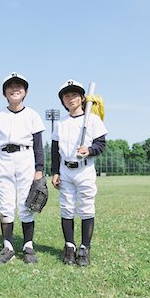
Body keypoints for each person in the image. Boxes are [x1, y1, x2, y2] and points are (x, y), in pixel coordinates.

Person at [0, 72, 45, 265]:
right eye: (10, 86)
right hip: (4, 159)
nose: (15, 89)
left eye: (19, 86)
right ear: (5, 93)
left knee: (26, 205)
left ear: (25, 92)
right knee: (6, 205)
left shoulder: (32, 115)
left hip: (26, 158)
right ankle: (8, 247)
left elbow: (38, 144)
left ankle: (28, 246)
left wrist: (39, 169)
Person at [51, 79, 107, 266]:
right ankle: (69, 246)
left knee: (85, 208)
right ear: (63, 101)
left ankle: (84, 247)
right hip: (65, 170)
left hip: (84, 170)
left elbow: (101, 144)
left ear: (82, 98)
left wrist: (89, 150)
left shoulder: (92, 119)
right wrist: (55, 172)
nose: (71, 98)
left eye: (75, 94)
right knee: (66, 209)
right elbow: (54, 150)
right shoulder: (61, 123)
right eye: (67, 95)